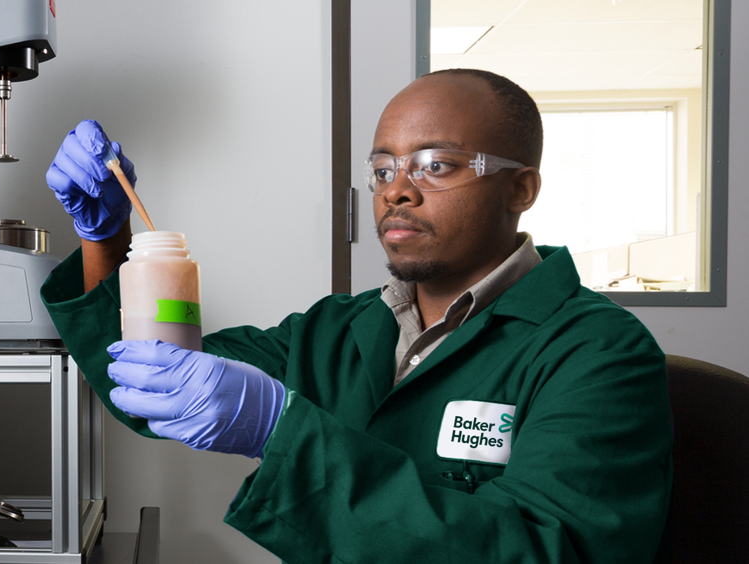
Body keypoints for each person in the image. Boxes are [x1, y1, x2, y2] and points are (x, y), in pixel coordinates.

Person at [40, 69, 672, 563]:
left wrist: (282, 432)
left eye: (436, 165)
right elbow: (148, 385)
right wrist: (107, 241)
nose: (397, 189)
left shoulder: (599, 353)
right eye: (382, 168)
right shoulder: (335, 331)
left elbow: (546, 552)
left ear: (521, 189)